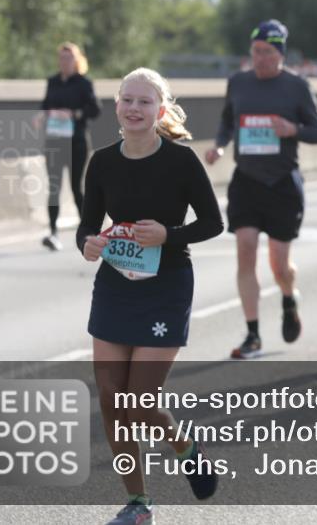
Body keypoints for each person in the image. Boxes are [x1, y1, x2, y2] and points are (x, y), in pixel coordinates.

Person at [77, 68, 224, 525]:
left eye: (144, 102)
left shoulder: (181, 162)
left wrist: (168, 234)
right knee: (109, 396)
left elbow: (213, 223)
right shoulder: (102, 161)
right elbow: (87, 225)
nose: (134, 109)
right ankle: (138, 503)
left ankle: (185, 448)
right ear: (117, 106)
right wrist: (88, 243)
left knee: (139, 401)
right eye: (127, 100)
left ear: (159, 110)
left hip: (167, 283)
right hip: (116, 282)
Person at [206, 19, 317, 359]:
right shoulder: (238, 82)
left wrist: (292, 129)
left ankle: (289, 298)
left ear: (280, 54)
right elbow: (228, 120)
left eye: (266, 53)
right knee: (245, 249)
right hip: (246, 180)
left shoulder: (297, 87)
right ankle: (253, 334)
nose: (258, 59)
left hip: (282, 183)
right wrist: (218, 145)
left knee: (279, 264)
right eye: (254, 52)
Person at [39, 42, 101, 251]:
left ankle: (88, 232)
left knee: (76, 187)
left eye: (69, 58)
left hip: (76, 142)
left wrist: (74, 114)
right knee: (54, 187)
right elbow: (45, 105)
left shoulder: (84, 84)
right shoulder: (53, 82)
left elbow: (95, 109)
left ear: (76, 61)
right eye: (62, 58)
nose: (65, 62)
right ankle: (53, 233)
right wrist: (42, 114)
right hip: (54, 141)